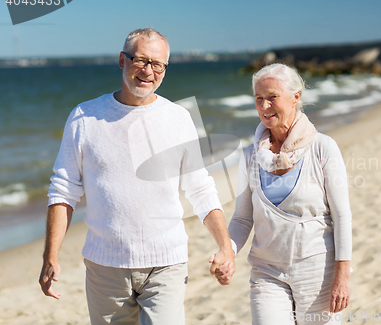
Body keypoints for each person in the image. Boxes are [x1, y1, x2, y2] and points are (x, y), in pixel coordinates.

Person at [39, 28, 235, 325]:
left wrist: (225, 246)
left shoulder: (178, 118)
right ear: (122, 60)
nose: (148, 71)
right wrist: (50, 256)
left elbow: (200, 187)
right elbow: (63, 191)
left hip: (166, 261)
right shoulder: (84, 116)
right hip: (105, 266)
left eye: (158, 64)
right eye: (140, 60)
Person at [219, 63, 352, 325]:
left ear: (295, 98)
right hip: (266, 272)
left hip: (317, 270)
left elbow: (342, 216)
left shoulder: (323, 148)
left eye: (272, 97)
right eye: (259, 99)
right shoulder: (251, 156)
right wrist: (228, 251)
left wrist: (342, 277)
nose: (265, 106)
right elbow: (243, 218)